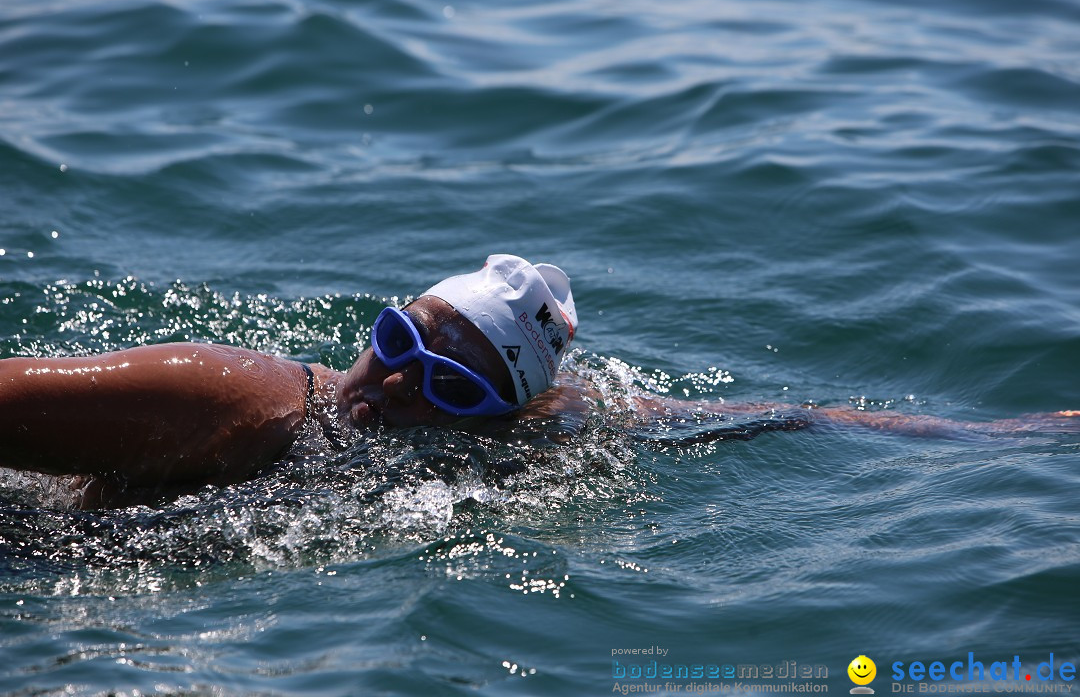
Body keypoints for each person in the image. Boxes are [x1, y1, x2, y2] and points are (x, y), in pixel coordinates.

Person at [0, 254, 1076, 507]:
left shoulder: (536, 436)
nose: (391, 391)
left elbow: (771, 415)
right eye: (395, 342)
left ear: (506, 418)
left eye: (453, 392)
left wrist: (1012, 437)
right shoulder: (227, 394)